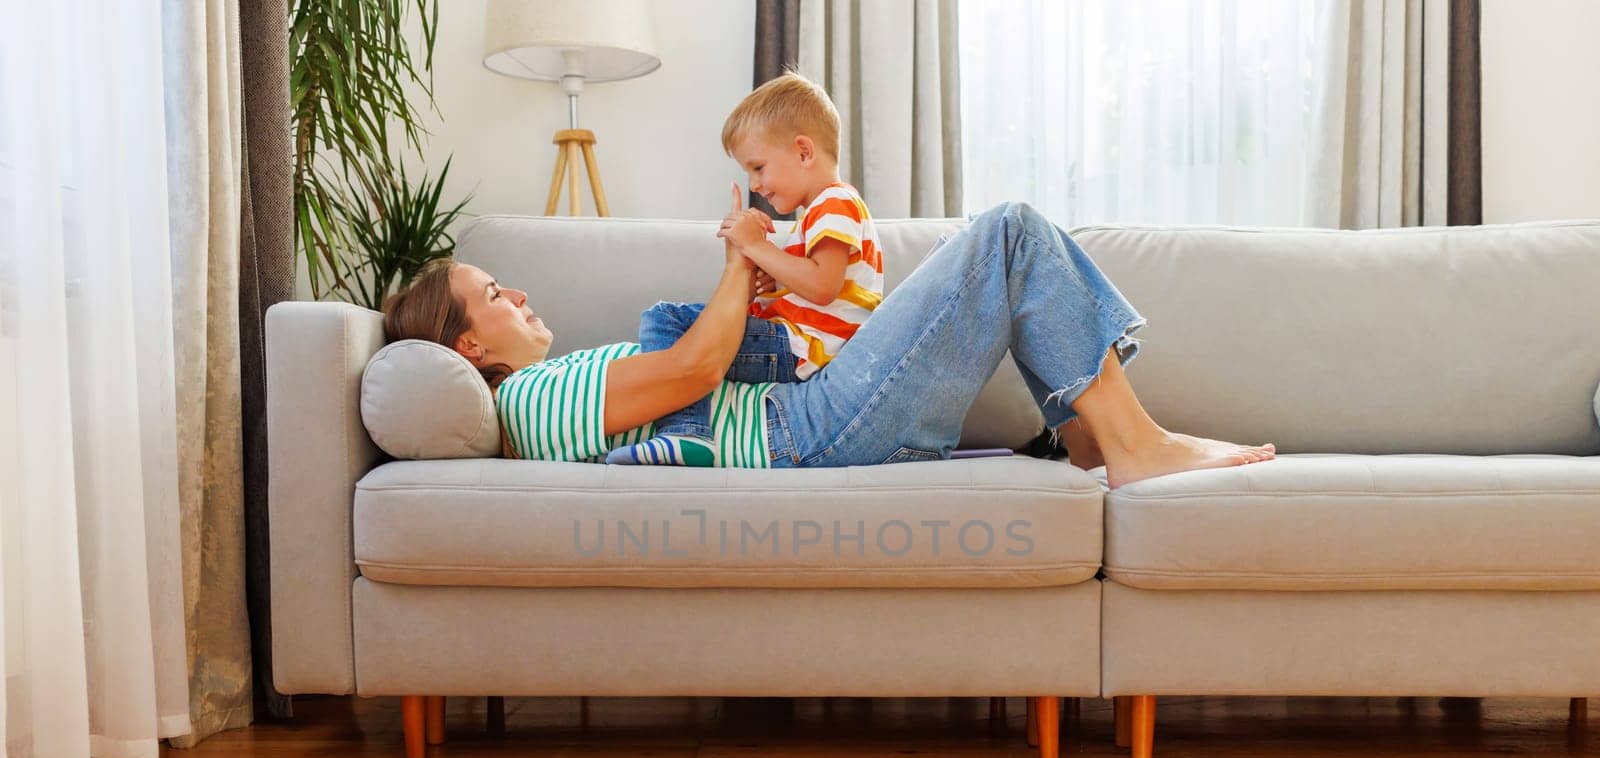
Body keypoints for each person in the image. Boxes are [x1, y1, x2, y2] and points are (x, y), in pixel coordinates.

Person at [380, 199, 1276, 488]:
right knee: (1008, 232)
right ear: (467, 350)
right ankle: (1132, 445)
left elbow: (696, 372)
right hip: (810, 429)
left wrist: (754, 289)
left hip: (809, 415)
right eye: (496, 294)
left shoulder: (553, 382)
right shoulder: (531, 398)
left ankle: (1089, 432)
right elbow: (693, 367)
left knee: (1006, 246)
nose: (522, 294)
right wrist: (743, 253)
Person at [609, 72, 884, 467]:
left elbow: (823, 286)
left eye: (758, 168)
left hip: (801, 350)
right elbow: (820, 285)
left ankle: (685, 432)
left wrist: (755, 246)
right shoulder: (825, 211)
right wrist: (770, 275)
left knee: (666, 319)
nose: (757, 185)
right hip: (802, 344)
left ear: (804, 152)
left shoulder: (834, 204)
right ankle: (684, 431)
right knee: (688, 326)